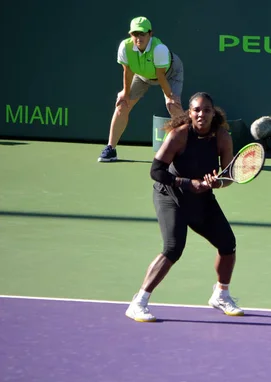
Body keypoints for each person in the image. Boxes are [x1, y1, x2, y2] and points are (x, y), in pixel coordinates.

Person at [125, 92, 243, 322]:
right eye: (197, 110)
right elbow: (156, 172)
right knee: (173, 248)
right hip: (171, 196)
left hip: (201, 198)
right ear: (190, 113)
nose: (201, 114)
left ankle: (221, 295)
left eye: (206, 110)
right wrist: (189, 183)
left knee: (227, 243)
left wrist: (217, 182)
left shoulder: (222, 137)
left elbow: (228, 176)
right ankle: (139, 302)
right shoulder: (179, 135)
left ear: (213, 113)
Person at [98, 16, 184, 162]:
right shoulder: (125, 47)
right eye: (135, 34)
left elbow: (160, 75)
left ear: (150, 34)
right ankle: (110, 149)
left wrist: (169, 95)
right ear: (130, 35)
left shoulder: (159, 49)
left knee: (172, 105)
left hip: (169, 73)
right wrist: (125, 93)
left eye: (142, 34)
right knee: (122, 105)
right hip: (142, 75)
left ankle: (188, 149)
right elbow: (128, 71)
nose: (138, 38)